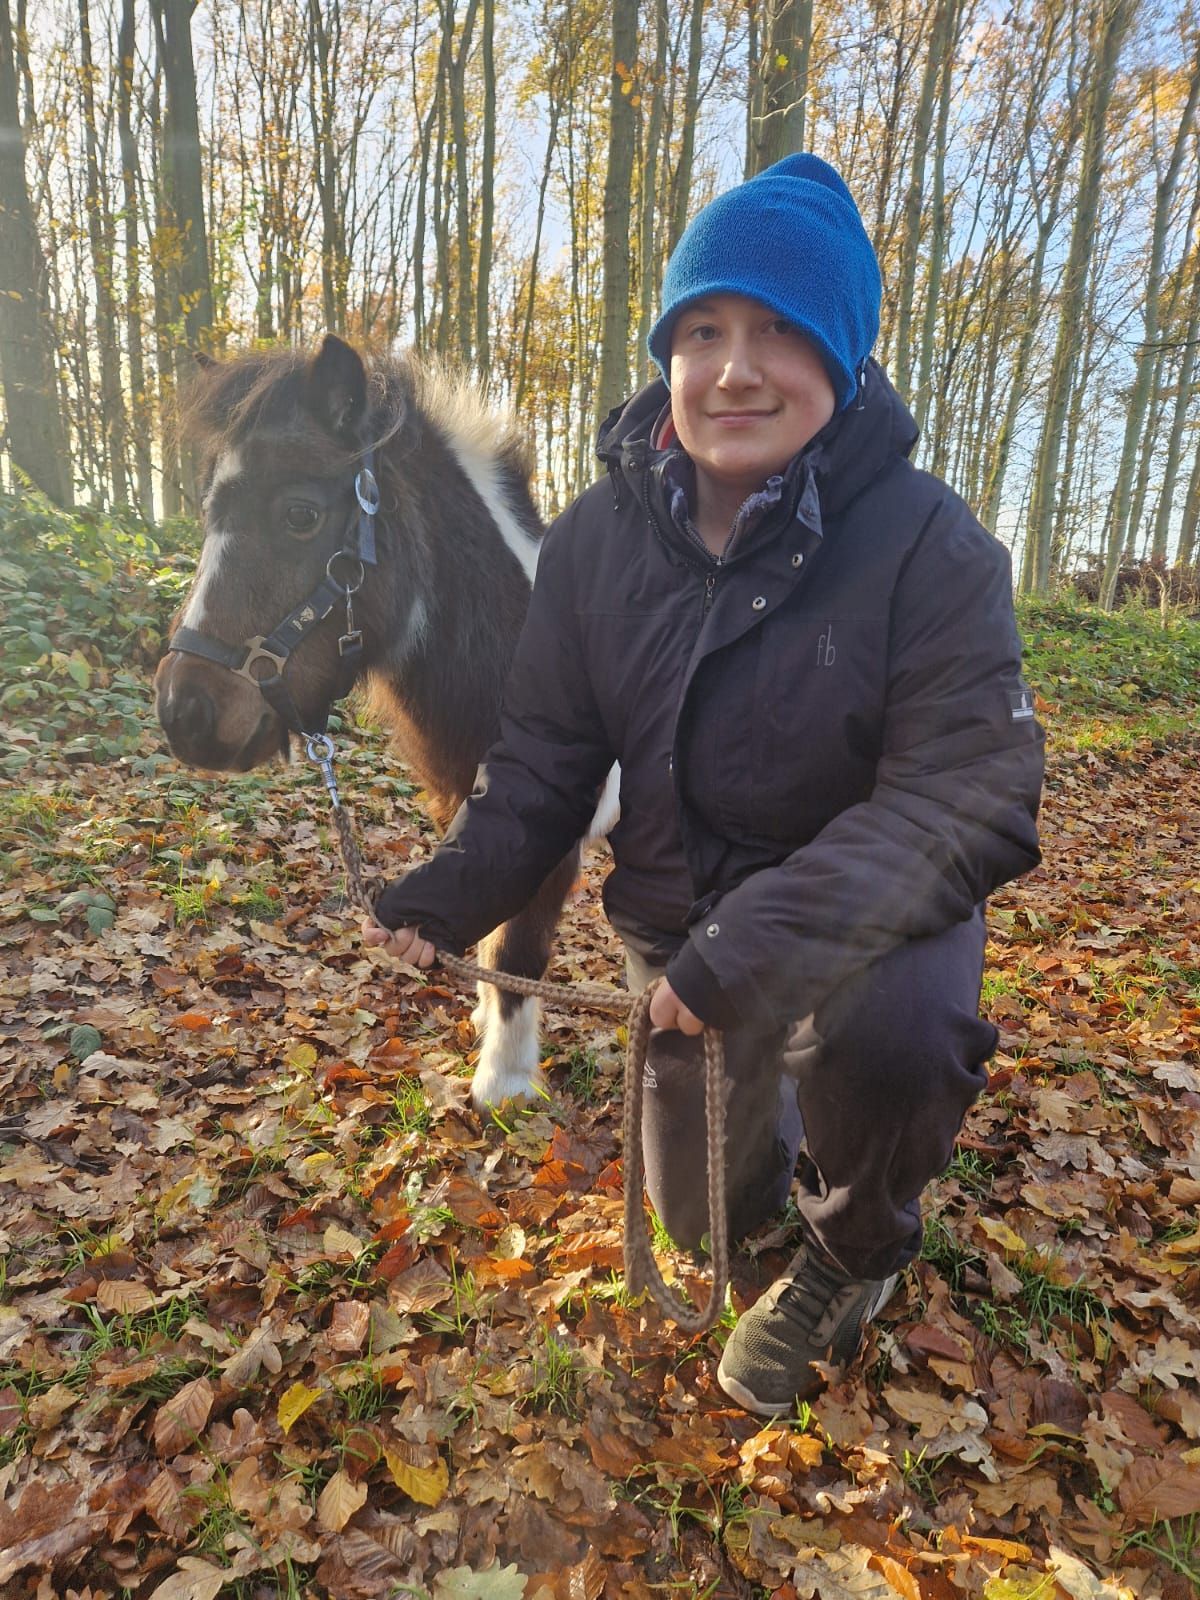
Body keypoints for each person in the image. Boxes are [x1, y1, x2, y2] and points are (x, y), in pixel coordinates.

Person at [365, 153, 1044, 1417]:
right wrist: (445, 898)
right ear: (670, 355)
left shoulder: (931, 546)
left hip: (869, 928)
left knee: (893, 1040)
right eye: (704, 330)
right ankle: (764, 1193)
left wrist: (750, 949)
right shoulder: (594, 543)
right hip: (677, 926)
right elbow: (545, 762)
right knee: (701, 1222)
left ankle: (854, 1249)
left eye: (780, 330)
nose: (736, 367)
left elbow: (972, 792)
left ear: (842, 359)